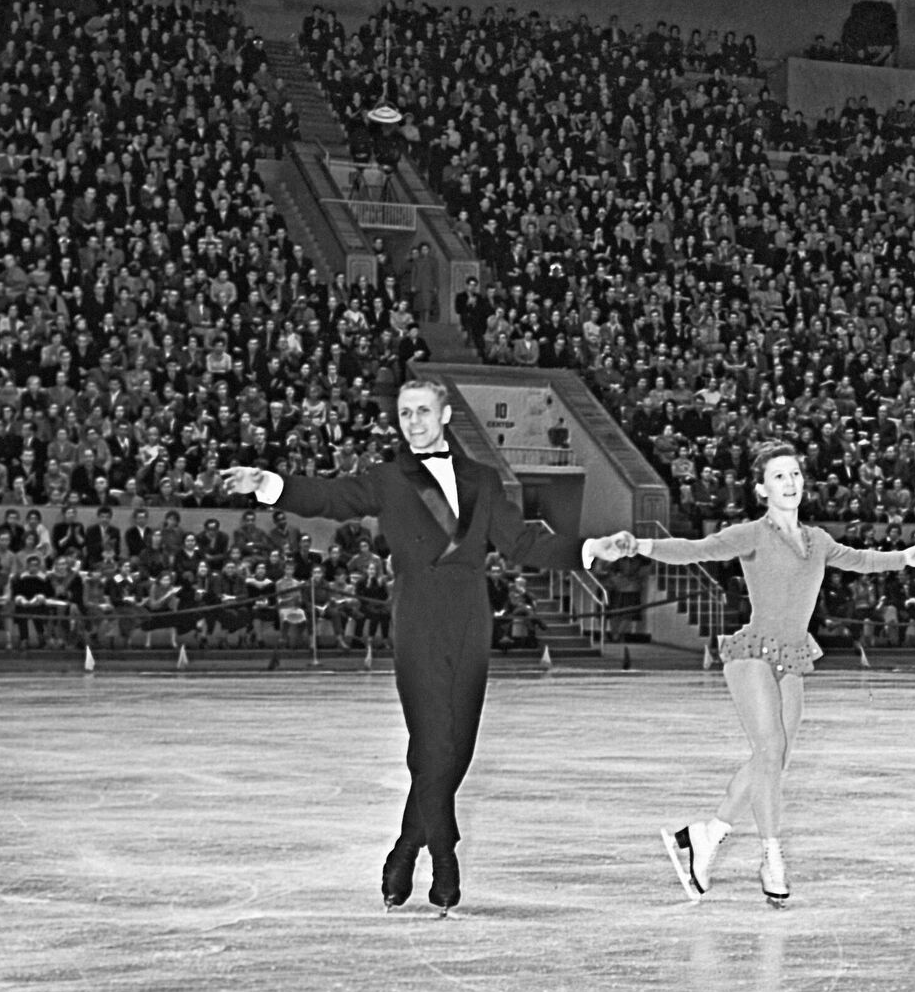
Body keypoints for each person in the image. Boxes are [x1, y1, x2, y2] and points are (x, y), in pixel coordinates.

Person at [222, 379, 631, 915]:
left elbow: (523, 542)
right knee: (430, 740)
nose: (412, 422)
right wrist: (269, 483)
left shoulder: (483, 480)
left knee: (454, 746)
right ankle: (442, 851)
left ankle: (405, 845)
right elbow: (330, 498)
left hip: (470, 618)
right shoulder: (387, 479)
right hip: (416, 617)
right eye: (404, 413)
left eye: (422, 412)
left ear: (445, 416)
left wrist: (589, 548)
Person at [627, 441, 915, 907]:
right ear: (762, 488)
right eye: (779, 476)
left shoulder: (817, 540)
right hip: (752, 652)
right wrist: (640, 545)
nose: (791, 482)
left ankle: (708, 833)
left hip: (792, 656)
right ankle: (771, 855)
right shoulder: (751, 534)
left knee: (771, 759)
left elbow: (858, 558)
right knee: (771, 747)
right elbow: (697, 549)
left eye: (795, 474)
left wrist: (905, 558)